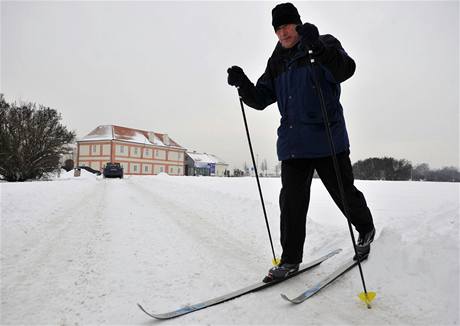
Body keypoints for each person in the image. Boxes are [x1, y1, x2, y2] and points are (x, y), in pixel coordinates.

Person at [227, 2, 375, 282]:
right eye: (278, 28)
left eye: (287, 26)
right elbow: (260, 99)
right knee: (291, 204)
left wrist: (319, 48)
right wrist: (243, 84)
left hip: (327, 139)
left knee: (344, 193)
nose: (283, 33)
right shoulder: (276, 61)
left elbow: (345, 70)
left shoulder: (320, 43)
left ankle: (366, 228)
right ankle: (290, 260)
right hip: (293, 145)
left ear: (297, 23)